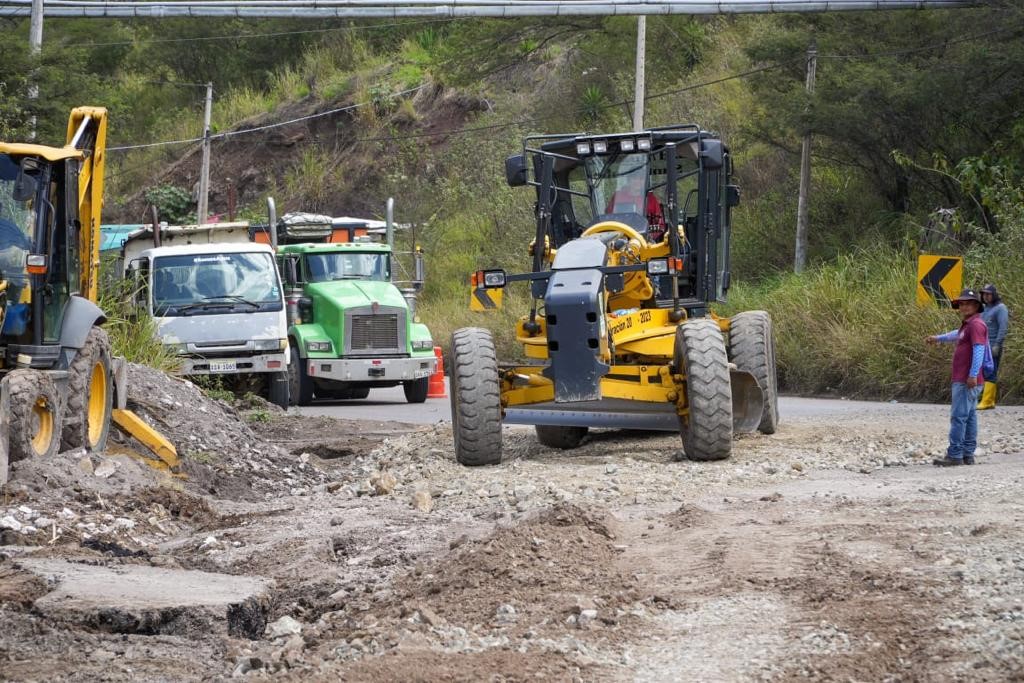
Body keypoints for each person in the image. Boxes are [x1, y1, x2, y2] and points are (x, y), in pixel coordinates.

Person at [926, 288, 988, 466]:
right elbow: (956, 335)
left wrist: (973, 374)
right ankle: (967, 454)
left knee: (959, 417)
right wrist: (938, 338)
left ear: (976, 306)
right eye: (961, 303)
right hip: (967, 378)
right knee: (969, 416)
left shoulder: (975, 325)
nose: (964, 306)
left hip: (966, 379)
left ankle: (955, 455)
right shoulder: (969, 325)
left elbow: (979, 350)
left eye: (968, 303)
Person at [605, 173, 666, 242]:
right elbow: (608, 219)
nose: (638, 182)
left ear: (644, 181)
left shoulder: (651, 199)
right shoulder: (618, 196)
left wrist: (649, 237)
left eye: (641, 179)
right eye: (634, 179)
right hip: (621, 240)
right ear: (629, 180)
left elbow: (660, 225)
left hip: (645, 242)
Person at [978, 283, 1009, 410]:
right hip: (981, 345)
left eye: (988, 294)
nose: (986, 296)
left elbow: (1003, 327)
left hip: (993, 346)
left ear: (994, 294)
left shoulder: (1001, 308)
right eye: (984, 294)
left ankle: (988, 400)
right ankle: (985, 398)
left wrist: (997, 344)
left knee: (991, 371)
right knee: (981, 371)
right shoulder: (984, 308)